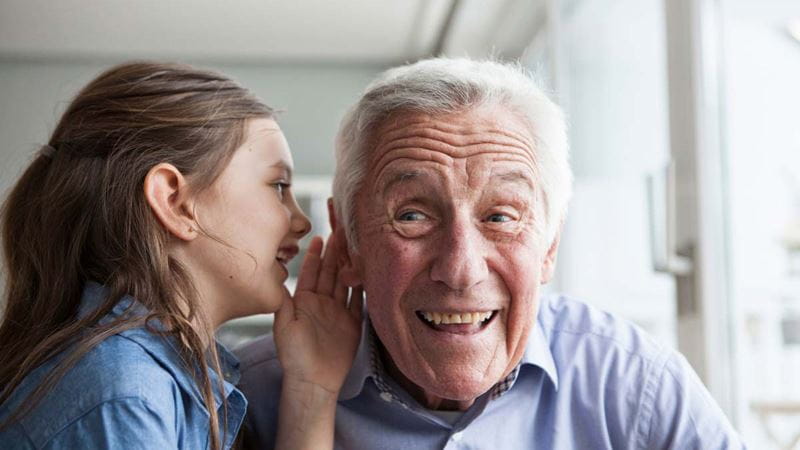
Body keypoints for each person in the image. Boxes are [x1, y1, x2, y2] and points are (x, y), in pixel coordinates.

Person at [236, 57, 745, 449]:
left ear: (549, 245)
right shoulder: (246, 397)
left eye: (500, 217)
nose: (460, 270)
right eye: (413, 215)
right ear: (348, 242)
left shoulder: (637, 386)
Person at [0, 62, 362, 449]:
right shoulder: (126, 396)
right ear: (174, 201)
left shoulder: (150, 380)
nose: (302, 222)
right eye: (277, 185)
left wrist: (313, 386)